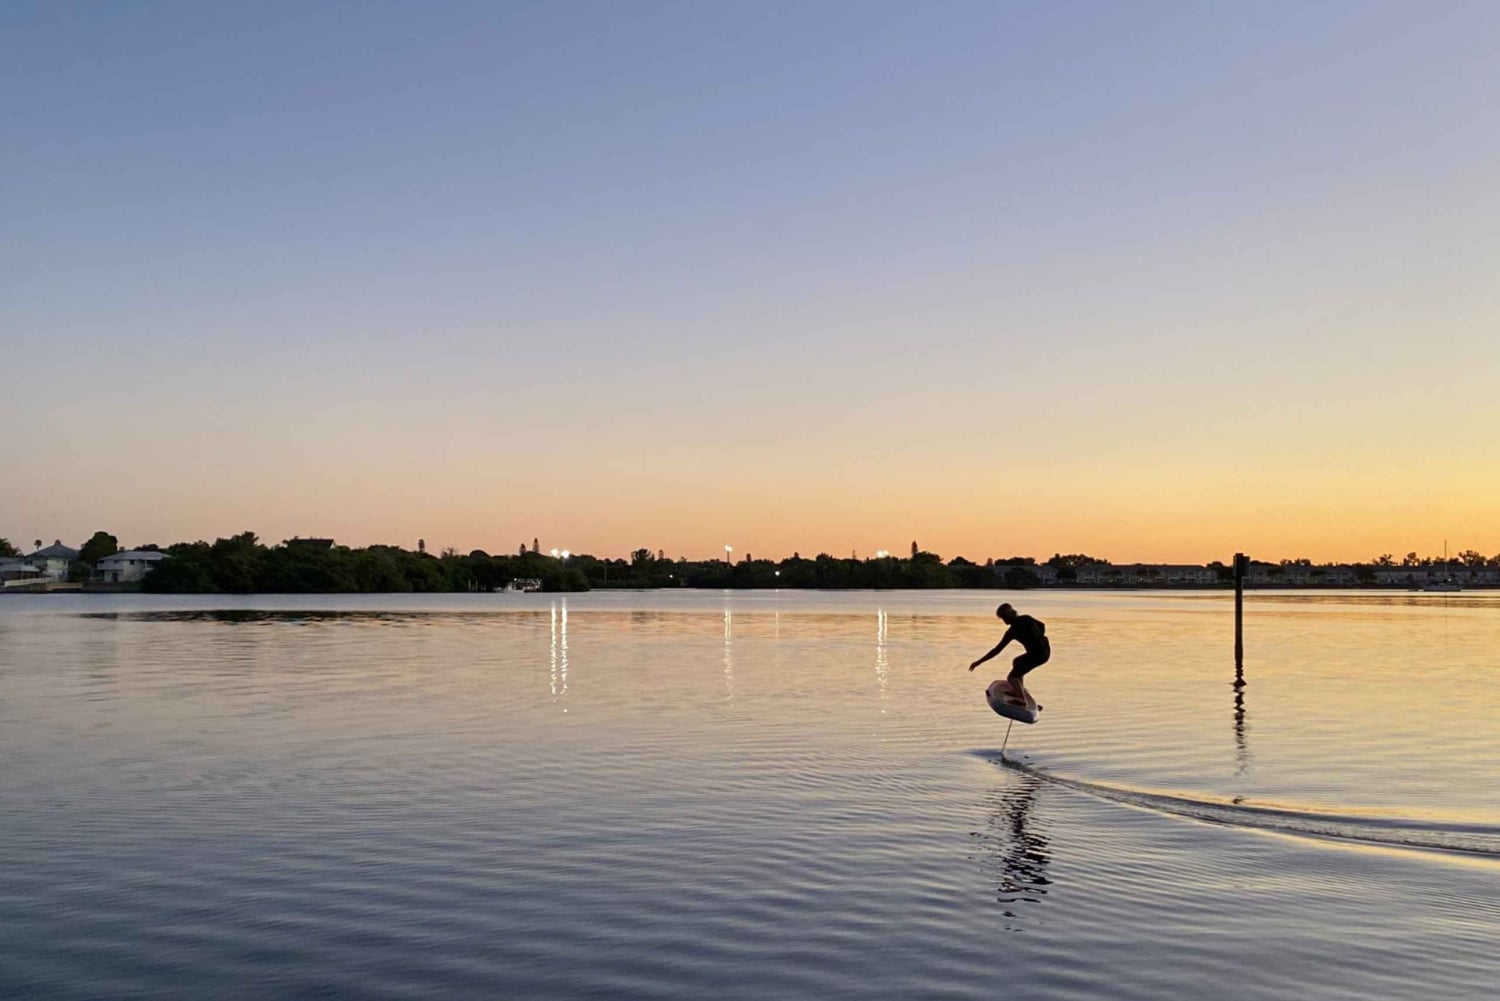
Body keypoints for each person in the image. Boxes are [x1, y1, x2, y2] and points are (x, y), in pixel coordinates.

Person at [969, 603, 1049, 705]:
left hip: (1037, 654)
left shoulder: (1013, 631)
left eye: (1003, 618)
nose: (1003, 621)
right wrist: (1038, 639)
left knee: (1012, 677)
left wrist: (978, 662)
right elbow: (1042, 626)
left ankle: (1022, 700)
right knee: (1017, 662)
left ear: (1008, 615)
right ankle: (1019, 691)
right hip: (1045, 650)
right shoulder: (1026, 618)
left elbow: (997, 650)